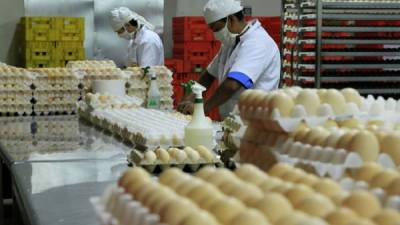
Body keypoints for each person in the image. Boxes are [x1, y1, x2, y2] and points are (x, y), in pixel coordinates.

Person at [178, 0, 280, 119]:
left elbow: (232, 85)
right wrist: (191, 97)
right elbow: (209, 75)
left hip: (254, 122)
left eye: (216, 29)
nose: (215, 35)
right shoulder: (231, 43)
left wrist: (202, 108)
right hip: (232, 121)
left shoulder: (257, 43)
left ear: (231, 19)